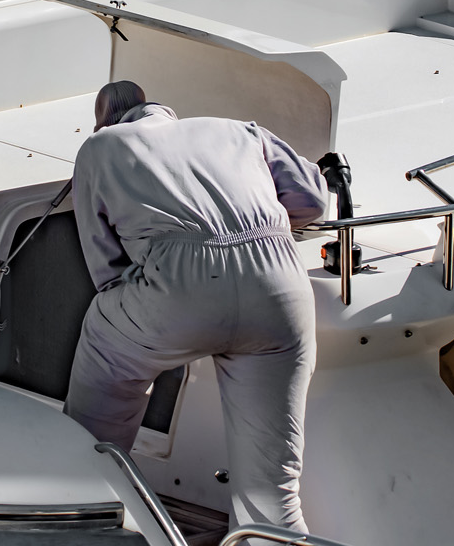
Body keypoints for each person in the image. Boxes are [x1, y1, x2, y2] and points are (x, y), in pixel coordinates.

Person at [64, 80, 329, 531]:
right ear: (165, 112)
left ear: (105, 118)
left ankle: (85, 495)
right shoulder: (240, 130)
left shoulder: (100, 147)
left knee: (104, 339)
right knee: (273, 490)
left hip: (178, 289)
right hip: (279, 284)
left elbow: (103, 264)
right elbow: (314, 201)